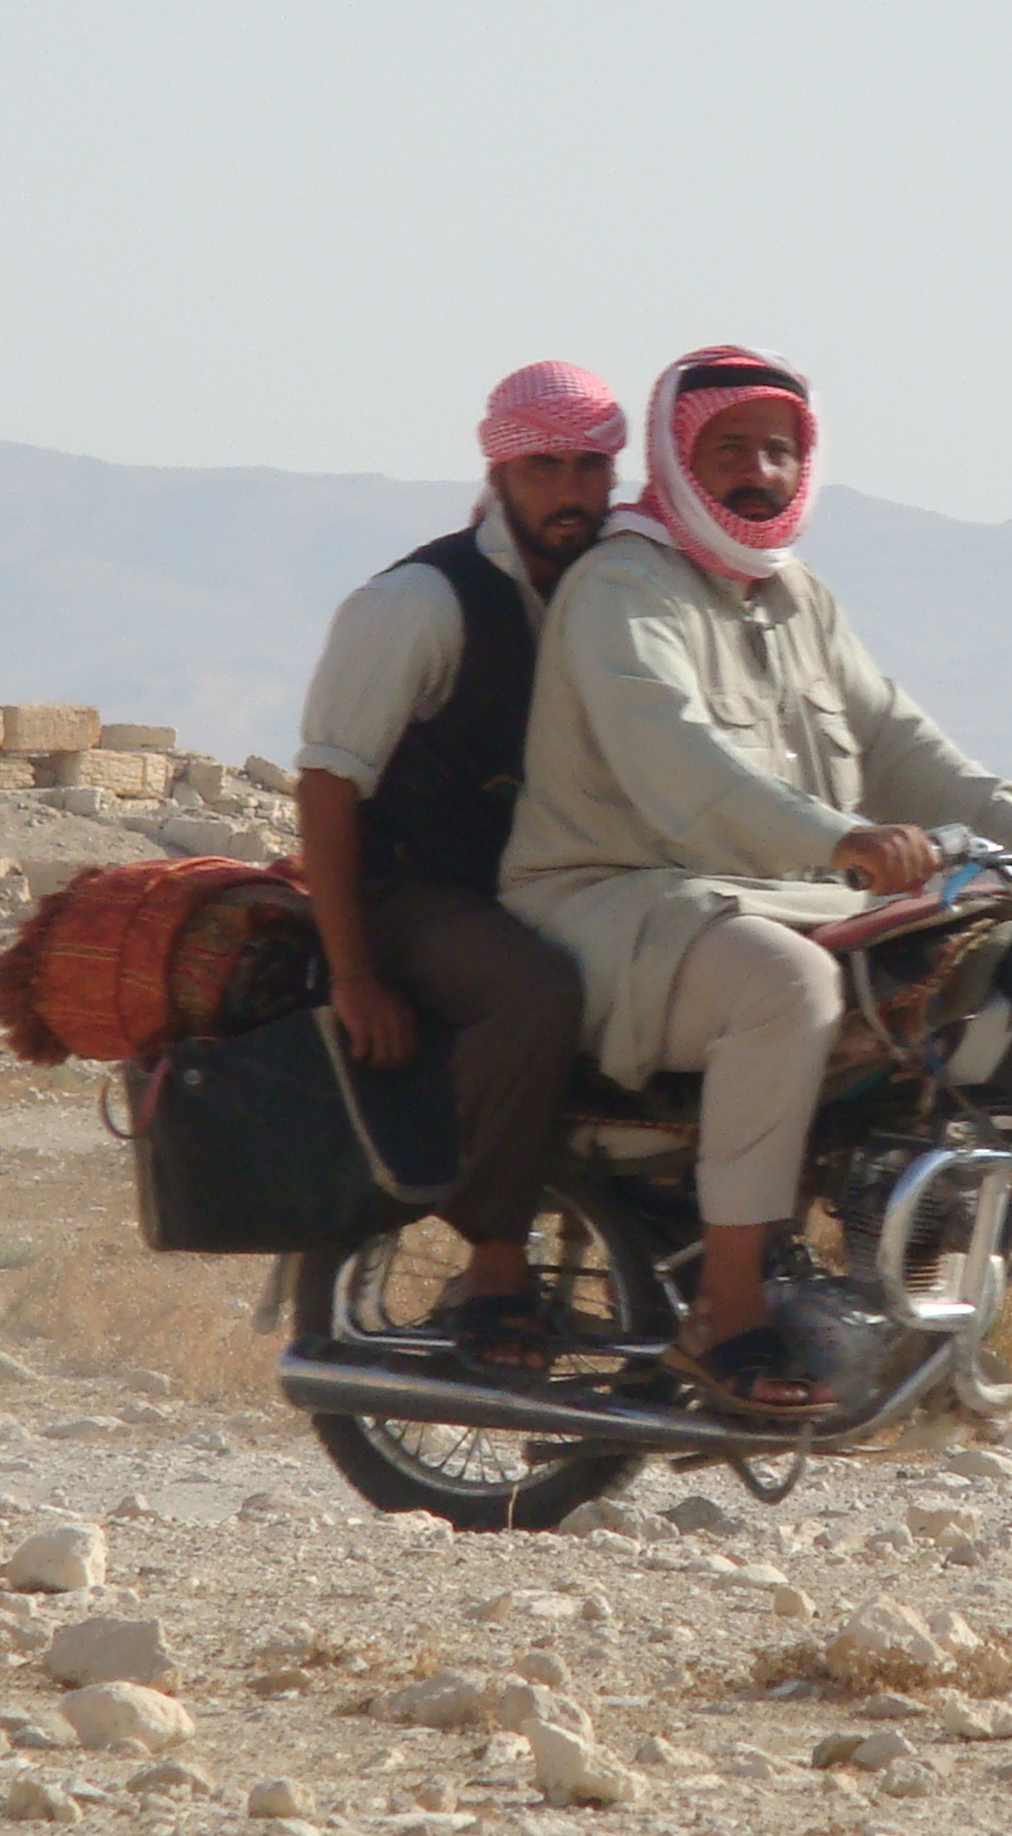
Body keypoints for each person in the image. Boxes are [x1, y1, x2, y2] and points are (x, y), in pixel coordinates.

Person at [503, 346, 1012, 1417]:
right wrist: (844, 839)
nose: (759, 472)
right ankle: (725, 1314)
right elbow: (684, 770)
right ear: (677, 460)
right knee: (788, 986)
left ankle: (906, 1300)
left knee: (980, 971)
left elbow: (903, 743)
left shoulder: (797, 597)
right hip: (613, 902)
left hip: (768, 898)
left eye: (779, 450)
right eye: (729, 448)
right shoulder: (623, 586)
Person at [293, 360, 624, 1377]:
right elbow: (328, 788)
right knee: (534, 991)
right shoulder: (420, 603)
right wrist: (355, 973)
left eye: (588, 468)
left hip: (541, 880)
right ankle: (494, 1265)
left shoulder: (619, 592)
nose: (569, 492)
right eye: (543, 468)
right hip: (410, 890)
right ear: (499, 472)